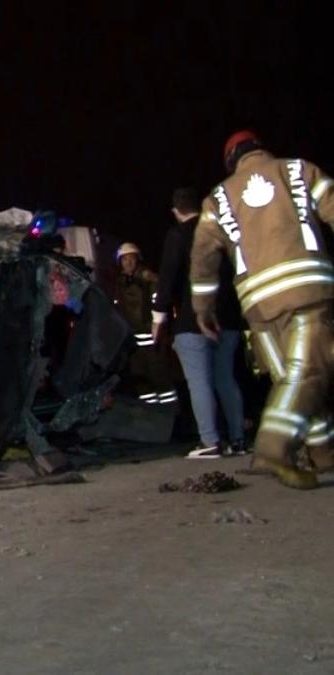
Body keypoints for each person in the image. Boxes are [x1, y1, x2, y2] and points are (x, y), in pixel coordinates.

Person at [191, 130, 334, 489]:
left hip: (256, 304)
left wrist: (203, 308)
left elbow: (203, 258)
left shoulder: (218, 198)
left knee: (291, 375)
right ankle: (274, 446)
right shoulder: (298, 170)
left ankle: (323, 451)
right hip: (306, 288)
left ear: (231, 160)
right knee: (309, 371)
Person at [153, 187, 246, 459]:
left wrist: (159, 316)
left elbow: (168, 278)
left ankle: (210, 441)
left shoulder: (178, 234)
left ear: (176, 211)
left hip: (193, 320)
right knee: (226, 378)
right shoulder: (221, 233)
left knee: (199, 381)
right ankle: (238, 439)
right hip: (228, 318)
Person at [114, 242, 177, 407]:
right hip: (134, 344)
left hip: (153, 341)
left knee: (161, 380)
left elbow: (162, 300)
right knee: (143, 384)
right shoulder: (120, 284)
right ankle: (151, 414)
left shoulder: (148, 279)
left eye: (131, 258)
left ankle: (171, 414)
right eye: (124, 259)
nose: (128, 263)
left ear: (138, 259)